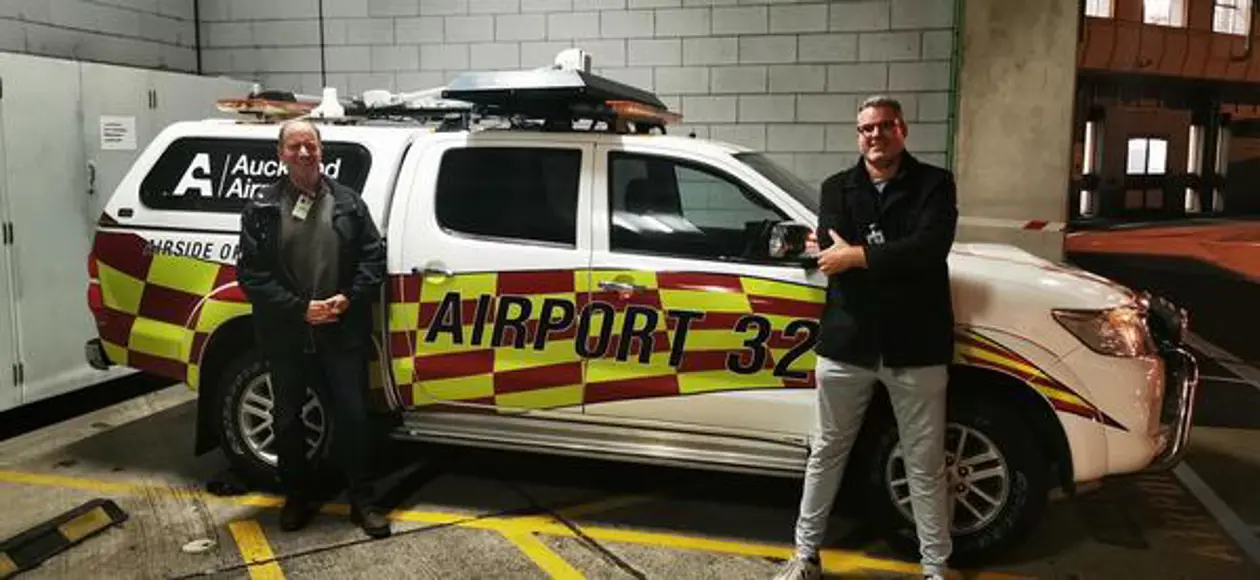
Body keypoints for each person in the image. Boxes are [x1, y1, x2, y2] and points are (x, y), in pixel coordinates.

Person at [774, 96, 959, 580]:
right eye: (865, 129)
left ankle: (936, 568)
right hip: (847, 344)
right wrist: (880, 255)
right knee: (826, 453)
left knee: (924, 463)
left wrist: (858, 256)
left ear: (902, 130)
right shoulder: (837, 188)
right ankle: (805, 556)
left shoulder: (935, 185)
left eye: (883, 126)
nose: (873, 136)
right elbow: (838, 259)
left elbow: (929, 249)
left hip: (915, 346)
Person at [236, 119, 390, 539]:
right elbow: (251, 275)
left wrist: (348, 299)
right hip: (288, 331)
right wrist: (300, 309)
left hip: (341, 328)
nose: (304, 153)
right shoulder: (262, 209)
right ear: (280, 154)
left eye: (311, 145)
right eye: (294, 146)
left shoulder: (349, 203)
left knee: (354, 417)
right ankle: (297, 498)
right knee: (287, 420)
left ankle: (364, 501)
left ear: (322, 151)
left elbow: (373, 260)